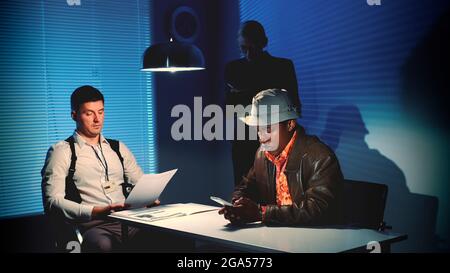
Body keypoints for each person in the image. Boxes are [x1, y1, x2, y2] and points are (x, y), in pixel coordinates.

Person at [41, 85, 157, 252]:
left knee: (170, 236)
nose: (97, 119)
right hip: (93, 226)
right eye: (89, 113)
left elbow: (141, 184)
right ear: (74, 115)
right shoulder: (62, 152)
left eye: (101, 112)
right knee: (103, 246)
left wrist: (148, 198)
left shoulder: (118, 148)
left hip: (129, 221)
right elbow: (53, 203)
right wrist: (96, 211)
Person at [219, 89, 343, 226]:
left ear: (290, 124)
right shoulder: (262, 154)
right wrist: (239, 206)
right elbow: (245, 188)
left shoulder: (320, 157)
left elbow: (317, 209)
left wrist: (262, 213)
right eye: (257, 128)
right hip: (278, 241)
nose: (261, 135)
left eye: (268, 127)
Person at [225, 20, 301, 186]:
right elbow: (228, 109)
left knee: (278, 193)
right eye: (243, 49)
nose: (248, 55)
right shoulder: (233, 69)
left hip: (276, 143)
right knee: (243, 195)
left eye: (252, 48)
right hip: (243, 144)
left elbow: (295, 107)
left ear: (263, 44)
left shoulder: (283, 66)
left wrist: (245, 94)